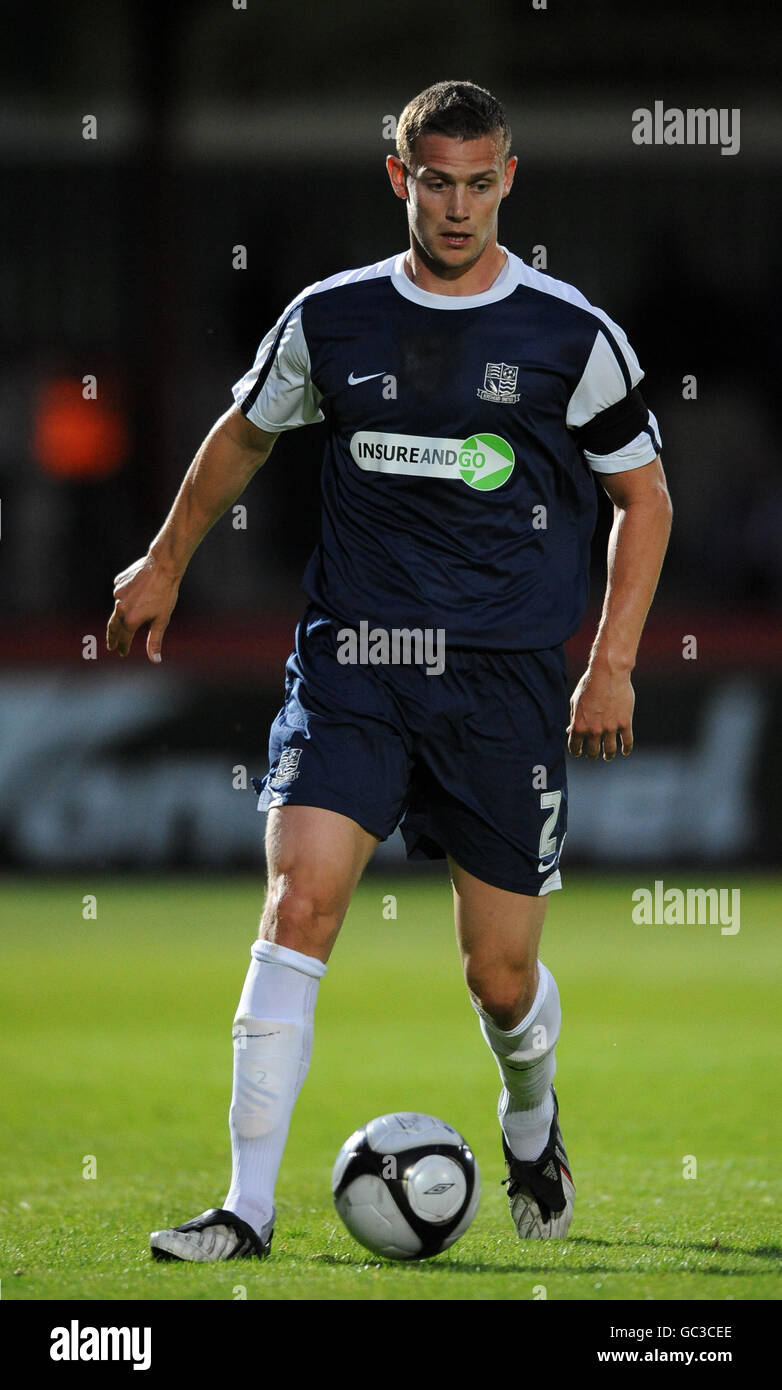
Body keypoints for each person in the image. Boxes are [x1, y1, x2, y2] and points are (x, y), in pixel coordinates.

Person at [106, 80, 672, 1262]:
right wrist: (163, 562)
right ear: (396, 178)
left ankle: (529, 1120)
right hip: (355, 665)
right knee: (298, 899)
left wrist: (610, 662)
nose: (456, 205)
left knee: (499, 973)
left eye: (477, 181)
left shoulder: (571, 332)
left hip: (503, 684)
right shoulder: (332, 317)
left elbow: (641, 498)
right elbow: (245, 433)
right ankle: (245, 1207)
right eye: (433, 180)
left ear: (508, 179)